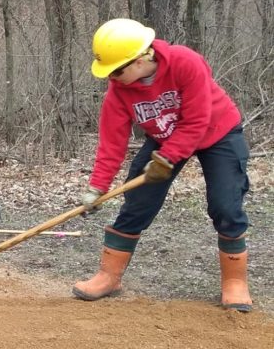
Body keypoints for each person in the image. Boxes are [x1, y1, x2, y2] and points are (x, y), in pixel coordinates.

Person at [74, 18, 252, 312]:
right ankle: (109, 276)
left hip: (217, 132)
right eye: (109, 73)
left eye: (118, 70)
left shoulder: (186, 62)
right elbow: (111, 143)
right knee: (137, 203)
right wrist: (97, 187)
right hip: (164, 137)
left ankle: (235, 282)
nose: (113, 78)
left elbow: (197, 121)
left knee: (225, 205)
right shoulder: (119, 91)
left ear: (143, 57)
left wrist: (168, 158)